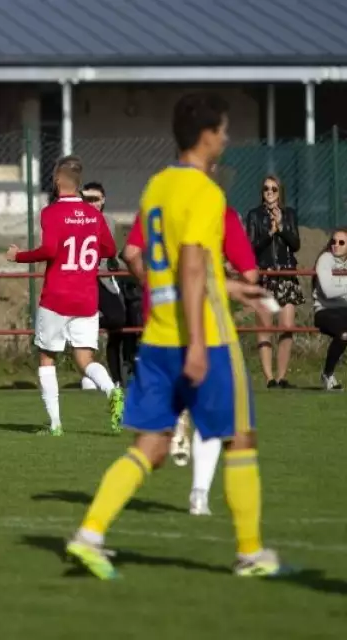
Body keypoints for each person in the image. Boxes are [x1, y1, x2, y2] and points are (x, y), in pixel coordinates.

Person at [67, 92, 285, 580]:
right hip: (203, 338)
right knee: (241, 438)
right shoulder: (207, 193)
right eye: (224, 130)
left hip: (159, 336)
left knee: (153, 445)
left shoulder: (158, 186)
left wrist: (230, 288)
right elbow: (191, 267)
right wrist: (199, 346)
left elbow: (144, 260)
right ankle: (250, 553)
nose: (226, 139)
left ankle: (89, 535)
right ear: (208, 136)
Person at [123, 202, 259, 516]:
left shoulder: (156, 203)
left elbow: (130, 253)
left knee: (151, 440)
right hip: (204, 318)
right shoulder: (217, 209)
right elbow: (250, 272)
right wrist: (224, 280)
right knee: (214, 415)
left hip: (160, 317)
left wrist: (148, 281)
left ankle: (95, 526)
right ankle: (199, 494)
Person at [6, 156, 123, 436]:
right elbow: (108, 249)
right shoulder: (94, 215)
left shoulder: (51, 212)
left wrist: (18, 255)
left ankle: (56, 424)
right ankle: (112, 392)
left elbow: (49, 249)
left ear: (58, 180)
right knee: (85, 359)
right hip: (86, 298)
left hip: (57, 297)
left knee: (47, 359)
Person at [246, 175, 303, 389]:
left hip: (286, 274)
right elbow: (251, 247)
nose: (269, 192)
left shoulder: (289, 214)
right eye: (266, 189)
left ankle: (281, 376)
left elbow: (296, 244)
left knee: (287, 326)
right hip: (265, 276)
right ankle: (269, 378)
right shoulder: (254, 216)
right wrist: (269, 233)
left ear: (281, 192)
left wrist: (282, 227)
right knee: (265, 326)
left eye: (274, 189)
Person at [79, 182, 132, 389]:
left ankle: (117, 378)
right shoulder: (74, 220)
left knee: (118, 320)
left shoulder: (109, 222)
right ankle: (89, 373)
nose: (92, 204)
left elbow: (113, 255)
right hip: (81, 280)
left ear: (103, 200)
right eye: (88, 199)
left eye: (96, 199)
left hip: (103, 279)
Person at [312, 228, 347, 391]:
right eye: (334, 241)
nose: (336, 246)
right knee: (344, 334)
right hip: (324, 311)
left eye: (341, 243)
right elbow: (328, 291)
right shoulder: (325, 259)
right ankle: (327, 374)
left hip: (344, 311)